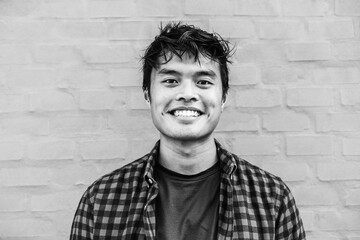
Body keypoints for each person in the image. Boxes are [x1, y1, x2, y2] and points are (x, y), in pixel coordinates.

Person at [70, 22, 306, 240]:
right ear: (147, 95)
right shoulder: (101, 200)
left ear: (223, 97)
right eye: (171, 81)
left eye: (203, 82)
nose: (187, 94)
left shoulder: (272, 199)